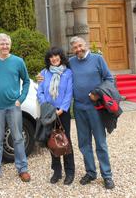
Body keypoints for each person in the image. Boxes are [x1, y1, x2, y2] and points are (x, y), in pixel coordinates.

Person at [68, 36, 116, 190]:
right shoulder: (71, 62)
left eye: (80, 46)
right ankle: (90, 172)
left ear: (86, 45)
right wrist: (43, 77)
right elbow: (59, 74)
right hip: (79, 108)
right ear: (72, 49)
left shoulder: (98, 59)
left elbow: (109, 79)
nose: (78, 49)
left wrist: (97, 92)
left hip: (95, 108)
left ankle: (107, 175)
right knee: (83, 143)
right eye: (75, 47)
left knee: (100, 142)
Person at [0, 33, 31, 185]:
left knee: (18, 138)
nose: (5, 46)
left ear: (10, 45)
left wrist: (21, 98)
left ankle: (22, 169)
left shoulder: (18, 61)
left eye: (7, 43)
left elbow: (26, 81)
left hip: (13, 106)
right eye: (2, 43)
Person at [37, 47, 75, 185]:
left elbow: (69, 93)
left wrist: (62, 109)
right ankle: (57, 172)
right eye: (51, 57)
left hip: (62, 113)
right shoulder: (44, 73)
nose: (54, 59)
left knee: (65, 140)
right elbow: (40, 92)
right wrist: (47, 107)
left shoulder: (68, 73)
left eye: (56, 56)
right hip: (49, 112)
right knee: (52, 141)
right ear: (49, 59)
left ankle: (70, 172)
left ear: (61, 57)